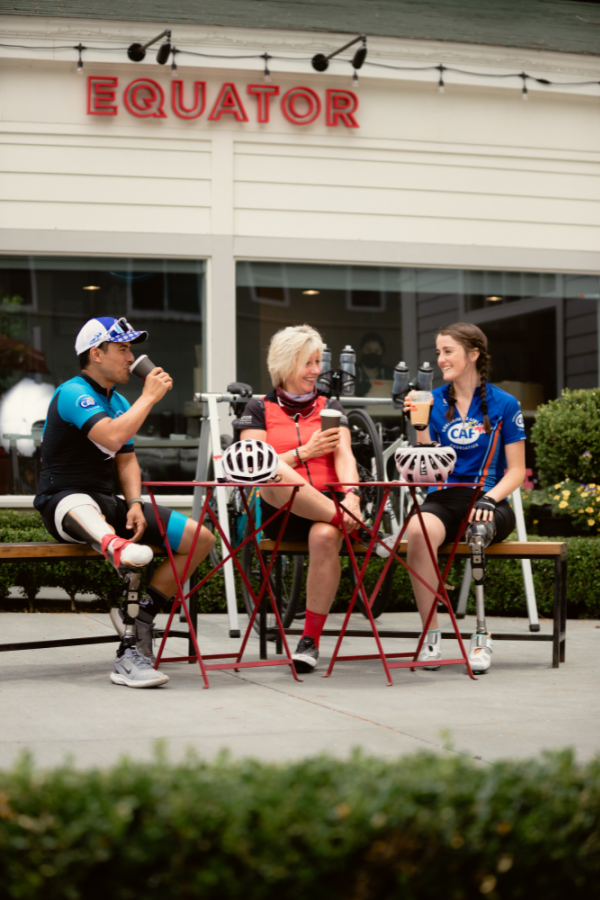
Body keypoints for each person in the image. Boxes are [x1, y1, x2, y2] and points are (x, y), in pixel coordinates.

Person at [34, 316, 214, 688]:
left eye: (130, 349)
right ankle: (113, 548)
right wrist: (149, 396)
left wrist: (134, 502)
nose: (131, 358)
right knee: (83, 503)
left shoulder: (117, 399)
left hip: (105, 501)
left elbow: (126, 458)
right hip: (63, 504)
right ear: (96, 354)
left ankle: (143, 614)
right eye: (123, 349)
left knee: (201, 539)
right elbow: (113, 438)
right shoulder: (72, 392)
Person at [239, 325, 392, 673]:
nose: (315, 370)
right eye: (307, 362)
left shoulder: (330, 406)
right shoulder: (258, 408)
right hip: (280, 510)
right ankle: (362, 532)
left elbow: (345, 459)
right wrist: (303, 452)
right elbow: (252, 463)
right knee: (272, 471)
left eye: (318, 361)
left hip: (328, 509)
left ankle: (309, 641)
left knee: (325, 535)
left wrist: (352, 496)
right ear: (285, 364)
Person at [404, 322, 526, 673]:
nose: (440, 359)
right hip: (443, 498)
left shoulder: (505, 403)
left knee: (476, 535)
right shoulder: (433, 400)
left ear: (472, 354)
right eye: (438, 351)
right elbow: (428, 465)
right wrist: (420, 424)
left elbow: (516, 471)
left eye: (448, 351)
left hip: (488, 500)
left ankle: (481, 636)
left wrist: (489, 500)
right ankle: (431, 635)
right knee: (417, 531)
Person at [355, 332, 395, 397]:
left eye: (377, 351)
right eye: (368, 350)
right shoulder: (352, 372)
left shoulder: (390, 373)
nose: (372, 354)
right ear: (361, 350)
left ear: (382, 352)